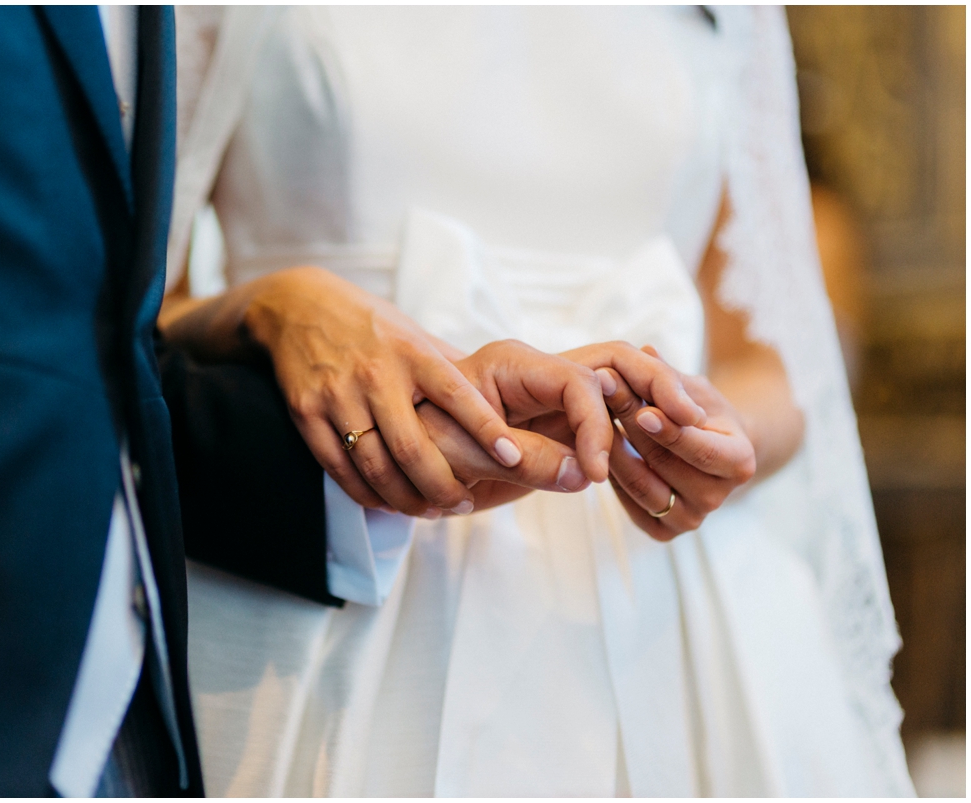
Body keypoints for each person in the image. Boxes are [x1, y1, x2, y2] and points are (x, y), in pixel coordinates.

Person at [0, 7, 658, 796]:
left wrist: (676, 426)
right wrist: (278, 303)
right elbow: (130, 300)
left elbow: (106, 328)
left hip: (639, 598)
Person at [158, 6, 914, 796]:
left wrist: (712, 434)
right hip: (336, 551)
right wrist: (276, 306)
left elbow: (779, 353)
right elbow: (120, 324)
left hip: (674, 600)